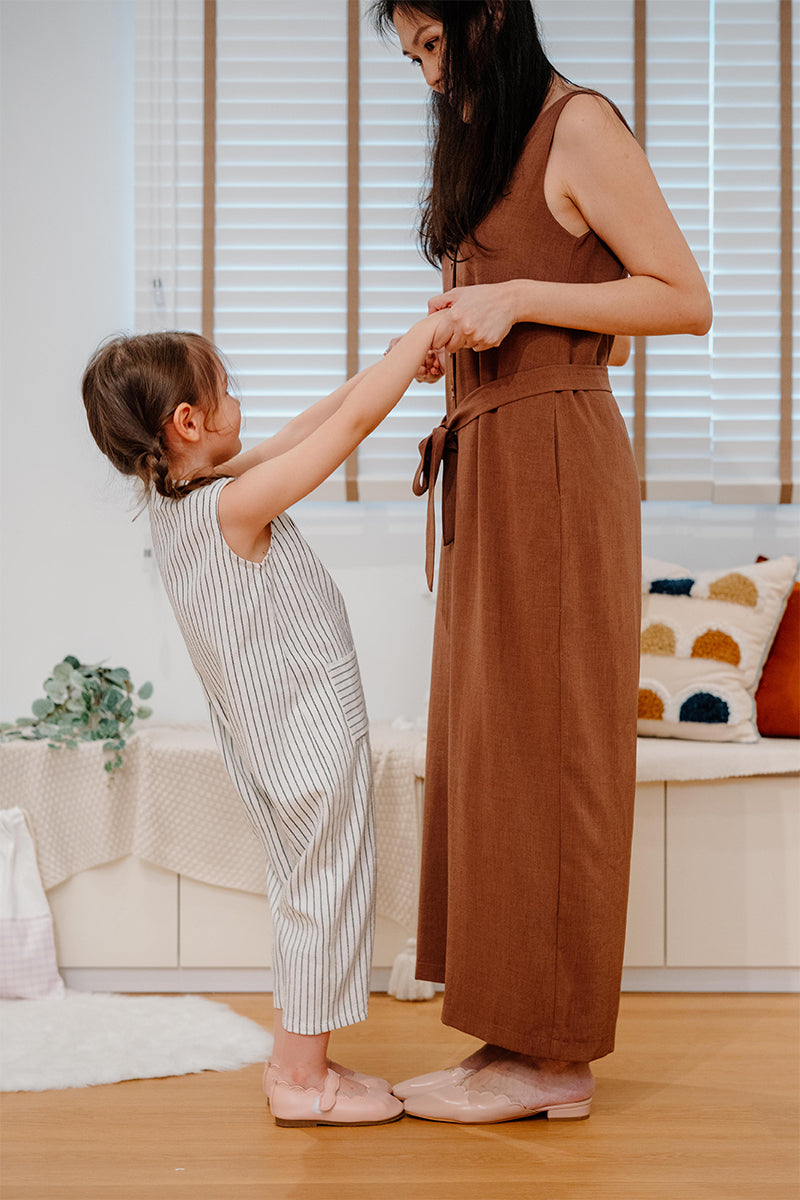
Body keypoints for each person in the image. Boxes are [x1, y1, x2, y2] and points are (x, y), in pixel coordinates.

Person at [372, 1, 712, 1124]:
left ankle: (554, 1060)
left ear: (488, 13)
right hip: (495, 454)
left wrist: (516, 299)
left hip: (556, 465)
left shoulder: (577, 126)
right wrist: (466, 339)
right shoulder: (497, 141)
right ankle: (510, 1037)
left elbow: (681, 296)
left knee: (551, 745)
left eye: (433, 44)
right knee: (493, 750)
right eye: (412, 55)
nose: (427, 74)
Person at [81, 312, 450, 1128]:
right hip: (306, 736)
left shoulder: (187, 502)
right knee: (325, 891)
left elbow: (309, 424)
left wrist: (395, 359)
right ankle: (298, 1079)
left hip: (277, 744)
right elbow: (348, 429)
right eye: (225, 393)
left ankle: (302, 1061)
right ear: (187, 423)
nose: (237, 403)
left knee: (307, 893)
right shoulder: (231, 508)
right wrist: (415, 348)